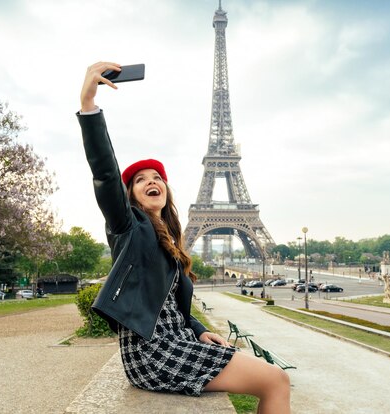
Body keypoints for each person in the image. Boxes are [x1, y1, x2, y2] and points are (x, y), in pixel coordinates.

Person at [77, 61, 290, 412]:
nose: (152, 182)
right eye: (141, 180)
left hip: (175, 342)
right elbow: (105, 173)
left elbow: (171, 305)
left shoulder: (169, 238)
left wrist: (200, 329)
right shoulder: (128, 226)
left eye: (157, 177)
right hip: (152, 350)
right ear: (128, 196)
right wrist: (89, 107)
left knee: (270, 377)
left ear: (166, 189)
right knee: (276, 380)